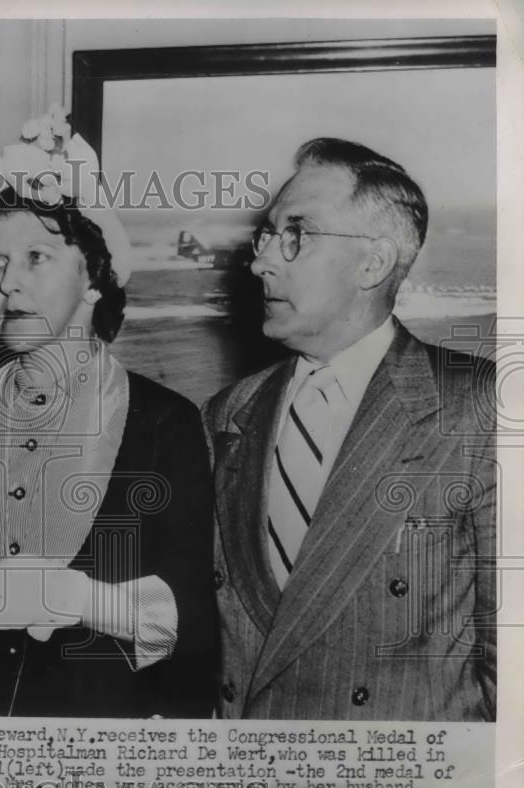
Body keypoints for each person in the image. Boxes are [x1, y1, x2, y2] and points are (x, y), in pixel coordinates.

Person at [0, 113, 218, 717]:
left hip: (93, 739)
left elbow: (192, 624)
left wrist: (76, 598)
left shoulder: (164, 421)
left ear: (95, 281)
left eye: (36, 257)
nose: (8, 283)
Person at [204, 137, 496, 720]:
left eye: (297, 234)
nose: (261, 260)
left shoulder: (479, 408)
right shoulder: (228, 414)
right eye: (267, 235)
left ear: (373, 262)